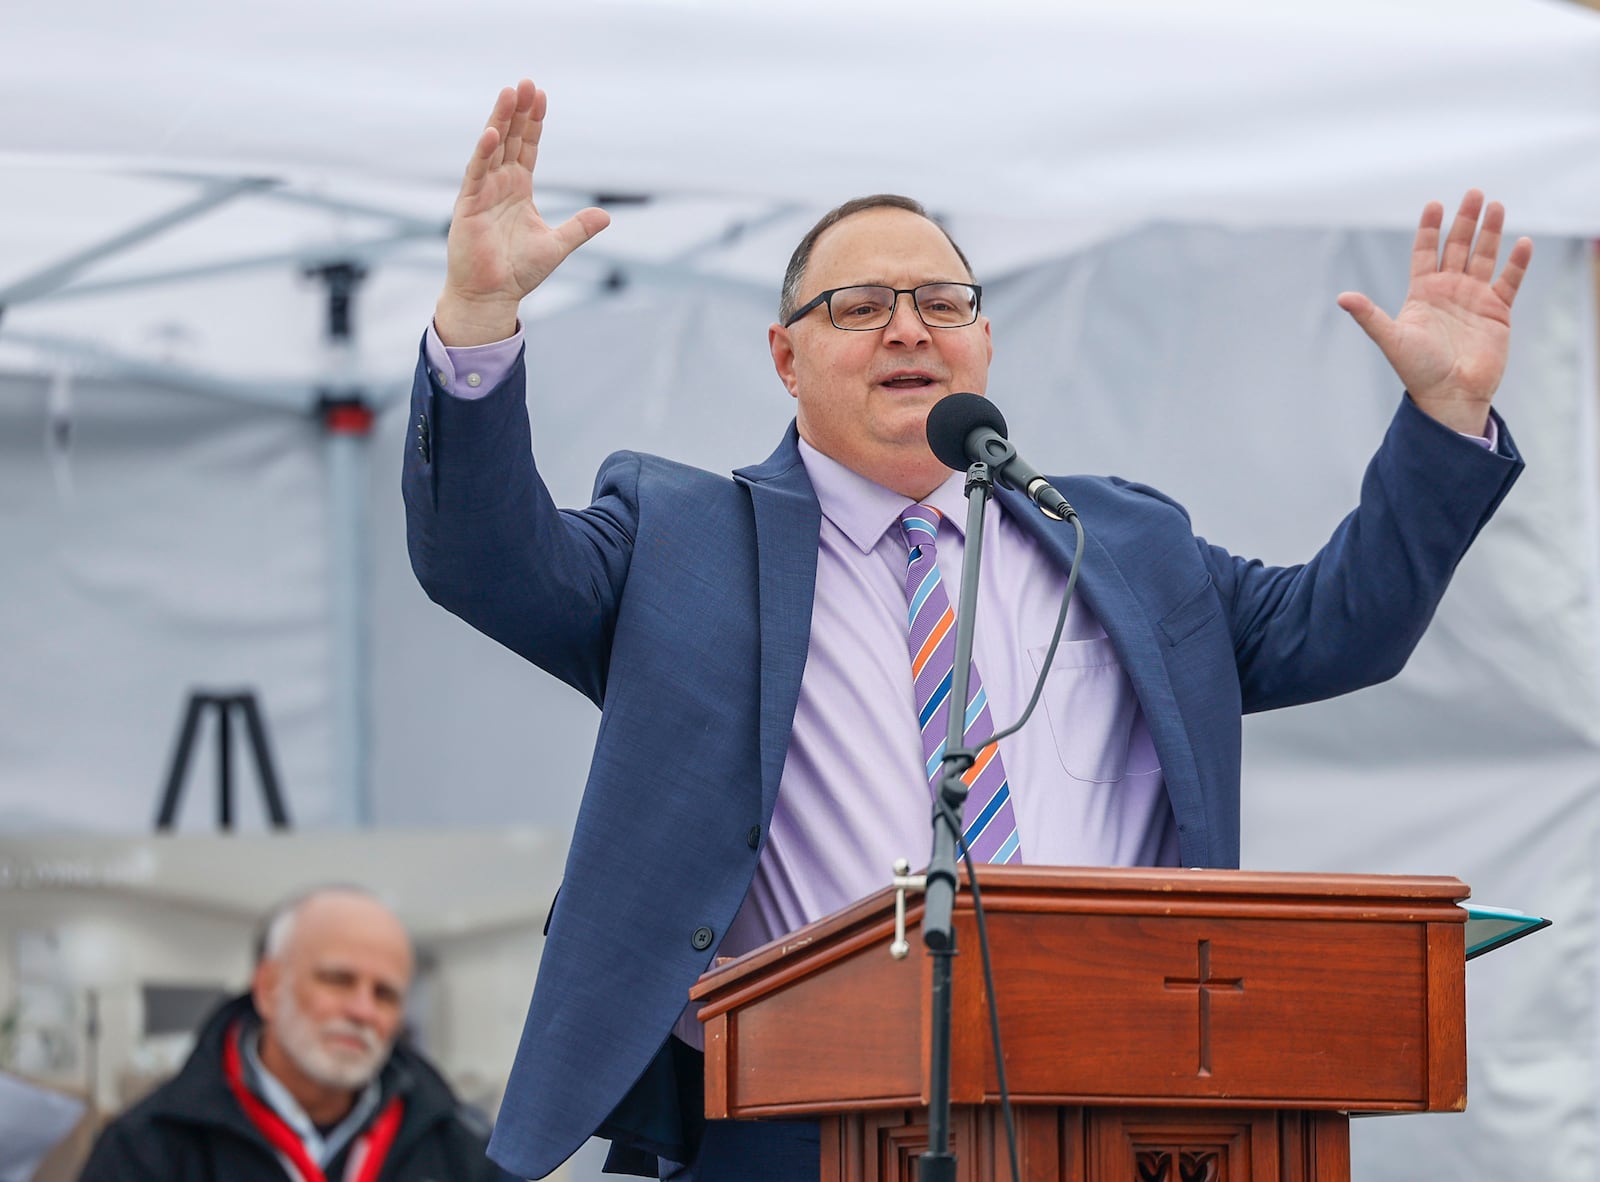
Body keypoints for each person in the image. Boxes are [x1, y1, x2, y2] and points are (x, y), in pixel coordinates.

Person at [403, 80, 1531, 1182]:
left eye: (941, 303)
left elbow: (1342, 630)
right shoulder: (680, 540)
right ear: (785, 358)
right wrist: (478, 321)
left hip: (1121, 1105)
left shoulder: (1121, 543)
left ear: (983, 343)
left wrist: (1444, 420)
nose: (908, 328)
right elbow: (484, 560)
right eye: (858, 307)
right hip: (803, 1113)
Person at [78, 887, 510, 1182]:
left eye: (385, 994)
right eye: (338, 979)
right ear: (268, 988)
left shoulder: (460, 1143)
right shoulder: (146, 1147)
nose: (363, 1011)